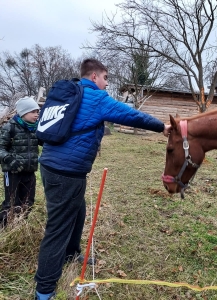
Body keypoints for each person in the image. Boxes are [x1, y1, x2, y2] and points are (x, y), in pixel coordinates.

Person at [34, 58, 171, 300]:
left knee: (78, 211)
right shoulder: (95, 97)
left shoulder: (70, 94)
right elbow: (130, 115)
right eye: (106, 78)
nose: (107, 84)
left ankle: (71, 253)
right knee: (57, 228)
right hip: (66, 173)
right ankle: (44, 290)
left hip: (55, 167)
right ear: (95, 76)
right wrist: (161, 126)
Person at [0, 96, 40, 227]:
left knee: (28, 202)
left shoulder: (36, 129)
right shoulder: (9, 127)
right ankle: (4, 228)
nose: (36, 114)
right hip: (12, 172)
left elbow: (46, 142)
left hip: (29, 171)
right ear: (23, 113)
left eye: (37, 111)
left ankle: (19, 226)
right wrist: (9, 159)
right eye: (33, 112)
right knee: (11, 203)